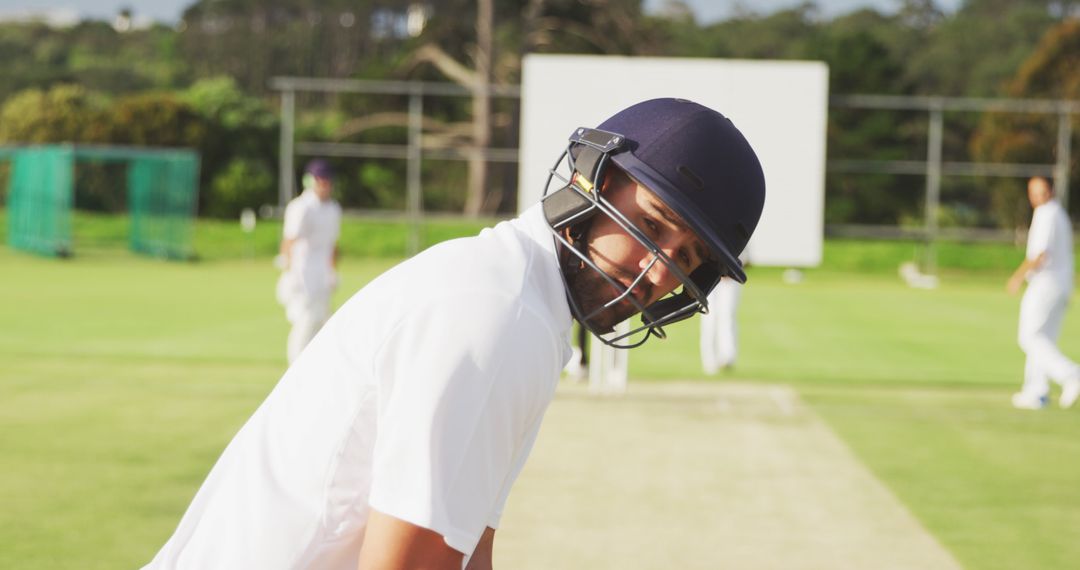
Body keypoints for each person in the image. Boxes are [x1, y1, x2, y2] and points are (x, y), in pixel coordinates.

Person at [144, 98, 766, 569]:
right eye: (653, 225)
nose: (659, 272)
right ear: (591, 178)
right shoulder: (499, 315)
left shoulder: (521, 296)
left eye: (687, 258)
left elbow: (468, 549)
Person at [1007, 176, 1080, 410]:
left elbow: (1040, 254)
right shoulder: (1058, 213)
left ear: (1050, 191)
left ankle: (1071, 374)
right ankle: (1036, 392)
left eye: (1040, 191)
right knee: (1043, 338)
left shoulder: (1047, 213)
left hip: (1045, 285)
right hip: (1061, 285)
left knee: (1029, 337)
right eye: (1032, 191)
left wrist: (1017, 277)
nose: (1035, 196)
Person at [276, 159, 342, 363]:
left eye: (327, 180)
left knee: (323, 322)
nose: (325, 185)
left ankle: (315, 366)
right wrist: (288, 271)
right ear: (310, 181)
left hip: (321, 274)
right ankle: (295, 367)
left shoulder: (333, 209)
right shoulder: (301, 207)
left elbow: (331, 244)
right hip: (302, 273)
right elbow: (289, 240)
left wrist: (332, 271)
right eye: (320, 180)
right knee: (305, 320)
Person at [700, 274, 742, 374]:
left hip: (730, 278)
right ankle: (710, 361)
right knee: (710, 317)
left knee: (727, 316)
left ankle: (727, 357)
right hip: (709, 275)